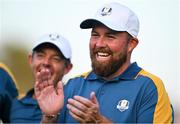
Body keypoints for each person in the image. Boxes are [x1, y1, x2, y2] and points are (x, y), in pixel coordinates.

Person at [35, 2, 174, 123]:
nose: (99, 44)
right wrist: (49, 117)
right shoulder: (73, 85)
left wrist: (100, 122)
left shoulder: (149, 87)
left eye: (110, 36)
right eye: (95, 35)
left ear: (131, 44)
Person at [10, 33, 73, 123]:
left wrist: (50, 117)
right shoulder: (15, 104)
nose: (46, 62)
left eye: (55, 58)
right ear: (31, 60)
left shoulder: (75, 106)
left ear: (67, 68)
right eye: (40, 55)